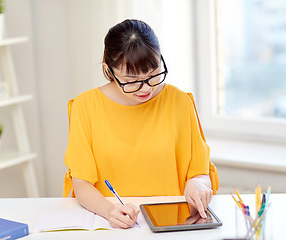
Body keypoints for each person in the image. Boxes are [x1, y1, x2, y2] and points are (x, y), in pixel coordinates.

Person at [63, 19, 219, 229]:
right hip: (110, 225)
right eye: (131, 80)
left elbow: (199, 171)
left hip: (169, 224)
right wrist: (109, 210)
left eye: (153, 74)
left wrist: (198, 184)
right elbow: (81, 183)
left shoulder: (180, 102)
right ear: (109, 70)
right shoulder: (85, 106)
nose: (145, 88)